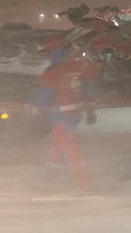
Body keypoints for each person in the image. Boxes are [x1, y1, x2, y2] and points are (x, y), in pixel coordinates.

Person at [34, 45, 102, 189]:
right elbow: (88, 89)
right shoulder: (76, 69)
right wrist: (90, 110)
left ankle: (87, 182)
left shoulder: (53, 72)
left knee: (71, 149)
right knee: (59, 146)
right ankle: (47, 179)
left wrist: (39, 110)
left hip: (60, 116)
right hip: (74, 114)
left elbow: (44, 94)